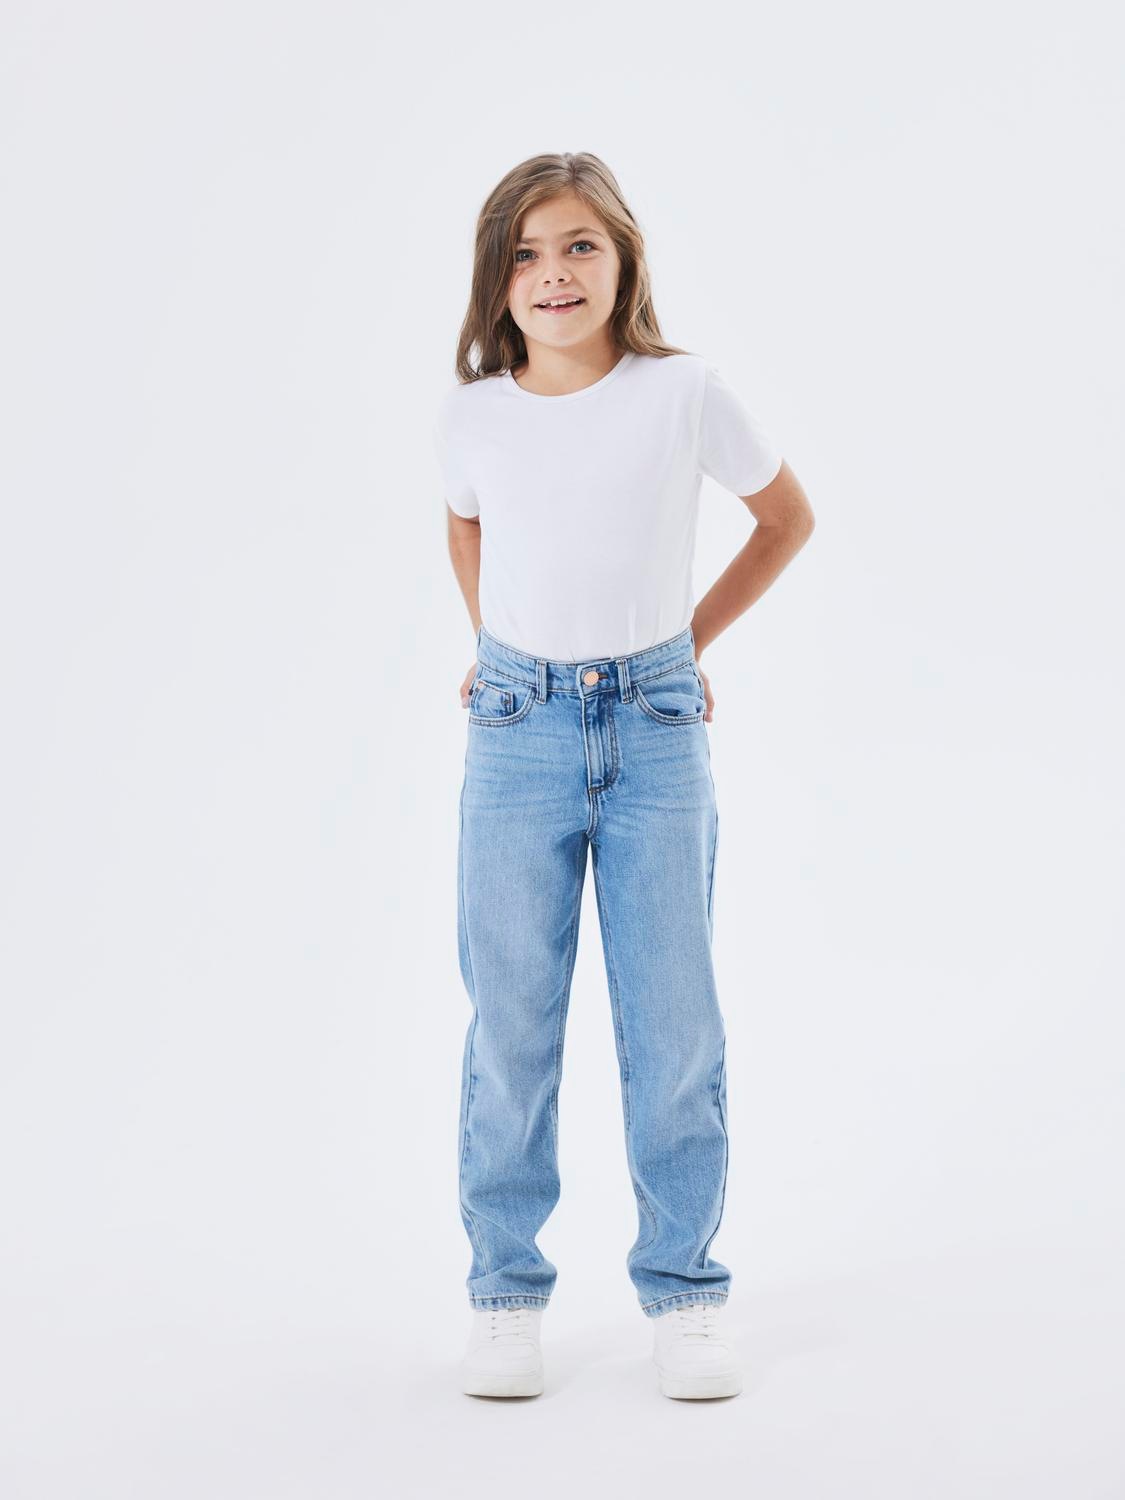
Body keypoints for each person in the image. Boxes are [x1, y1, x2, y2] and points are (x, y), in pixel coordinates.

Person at [434, 152, 815, 1400]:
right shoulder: (476, 412)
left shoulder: (683, 391)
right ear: (497, 280)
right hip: (515, 732)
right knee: (511, 1028)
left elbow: (785, 518)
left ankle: (686, 1293)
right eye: (527, 254)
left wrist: (683, 649)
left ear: (623, 258)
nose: (555, 274)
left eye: (579, 246)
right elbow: (467, 521)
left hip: (653, 731)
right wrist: (498, 647)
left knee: (674, 1027)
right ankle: (504, 1296)